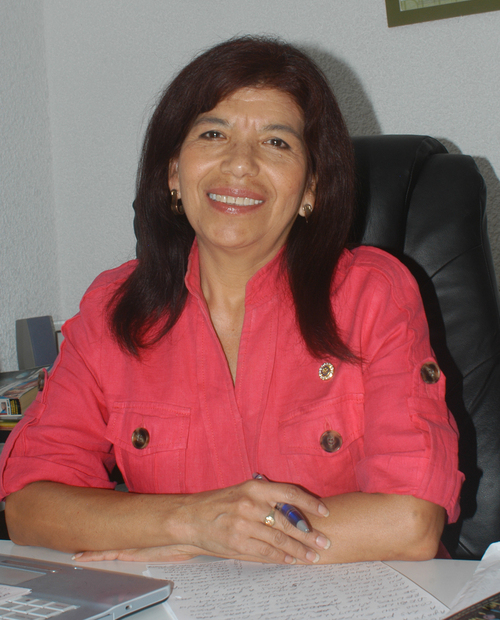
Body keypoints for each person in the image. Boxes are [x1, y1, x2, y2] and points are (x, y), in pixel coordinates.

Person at [1, 36, 463, 566]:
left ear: (312, 187)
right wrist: (193, 523)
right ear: (173, 173)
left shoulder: (372, 295)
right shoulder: (115, 310)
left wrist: (212, 545)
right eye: (213, 134)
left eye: (276, 142)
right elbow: (30, 506)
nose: (240, 164)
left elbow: (410, 523)